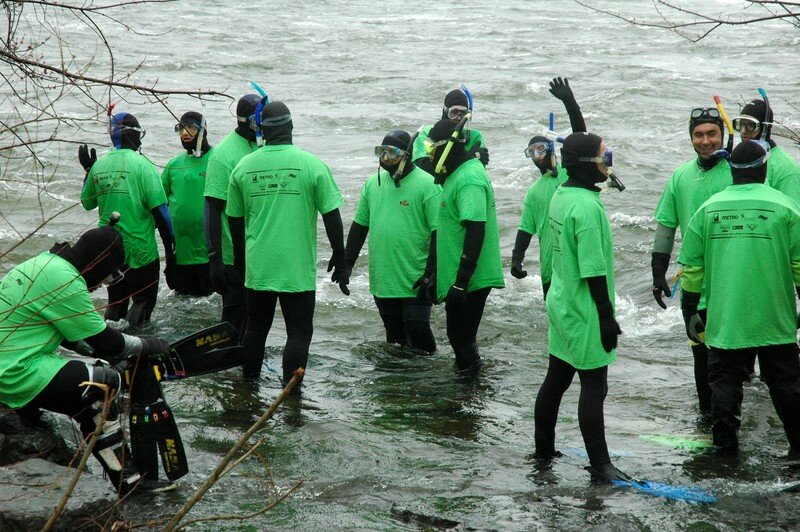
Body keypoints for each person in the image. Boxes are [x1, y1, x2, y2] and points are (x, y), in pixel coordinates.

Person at [0, 222, 173, 494]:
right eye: (105, 277)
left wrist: (107, 353)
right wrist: (149, 345)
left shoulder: (44, 264)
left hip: (9, 361)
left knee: (92, 372)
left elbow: (73, 337)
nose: (101, 286)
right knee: (100, 383)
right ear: (97, 264)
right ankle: (127, 481)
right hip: (13, 372)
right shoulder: (65, 280)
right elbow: (107, 341)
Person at [678, 140, 800, 455]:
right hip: (775, 317)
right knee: (786, 384)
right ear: (764, 168)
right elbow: (799, 267)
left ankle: (724, 451)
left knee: (724, 383)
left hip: (726, 318)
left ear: (731, 169)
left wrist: (691, 311)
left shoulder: (708, 209)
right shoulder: (787, 207)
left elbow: (692, 270)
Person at [227, 101, 347, 385]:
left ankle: (249, 386)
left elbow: (234, 219)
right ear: (291, 127)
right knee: (299, 332)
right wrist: (340, 257)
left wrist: (241, 263)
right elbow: (332, 216)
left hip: (260, 267)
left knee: (255, 330)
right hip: (297, 269)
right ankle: (291, 395)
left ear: (262, 131)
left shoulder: (244, 167)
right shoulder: (312, 165)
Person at [533, 132, 627, 482]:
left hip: (561, 301)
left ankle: (543, 452)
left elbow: (578, 143)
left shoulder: (562, 193)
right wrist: (607, 317)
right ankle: (601, 466)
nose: (609, 163)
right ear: (589, 165)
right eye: (605, 156)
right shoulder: (587, 208)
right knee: (594, 386)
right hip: (585, 308)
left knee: (556, 380)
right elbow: (594, 269)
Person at [651, 107, 732, 416]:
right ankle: (707, 418)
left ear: (722, 135)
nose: (706, 141)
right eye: (698, 135)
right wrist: (658, 273)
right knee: (701, 355)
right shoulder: (681, 176)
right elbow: (665, 228)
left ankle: (729, 420)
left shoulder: (737, 172)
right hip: (695, 284)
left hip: (733, 281)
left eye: (712, 134)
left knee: (730, 358)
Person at [342, 130, 440, 353]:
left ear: (406, 155)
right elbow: (359, 226)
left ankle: (432, 383)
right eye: (381, 152)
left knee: (419, 334)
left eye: (392, 153)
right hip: (384, 278)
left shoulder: (429, 185)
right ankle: (397, 385)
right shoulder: (372, 184)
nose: (385, 159)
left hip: (417, 278)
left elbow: (439, 232)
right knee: (395, 340)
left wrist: (432, 272)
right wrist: (347, 263)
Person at [80, 112, 174, 327]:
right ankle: (135, 349)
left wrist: (87, 172)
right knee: (142, 302)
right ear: (132, 135)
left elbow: (87, 203)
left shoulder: (98, 166)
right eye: (139, 134)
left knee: (116, 303)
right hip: (139, 251)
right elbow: (161, 213)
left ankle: (112, 347)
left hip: (108, 252)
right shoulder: (143, 166)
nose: (141, 140)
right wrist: (171, 250)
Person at [425, 118, 504, 373]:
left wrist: (461, 282)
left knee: (461, 338)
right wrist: (434, 273)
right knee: (458, 337)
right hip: (460, 276)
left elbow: (475, 230)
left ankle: (469, 398)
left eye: (430, 149)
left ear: (446, 148)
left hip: (472, 278)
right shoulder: (455, 174)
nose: (429, 155)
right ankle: (467, 394)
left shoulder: (469, 178)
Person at [511, 77, 587, 299]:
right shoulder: (534, 191)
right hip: (550, 271)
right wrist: (517, 258)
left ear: (552, 149)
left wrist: (570, 104)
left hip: (577, 265)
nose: (537, 155)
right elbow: (526, 229)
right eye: (531, 152)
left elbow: (582, 139)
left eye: (541, 149)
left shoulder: (568, 171)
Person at [203, 94, 260, 340]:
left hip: (255, 252)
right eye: (261, 119)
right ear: (249, 120)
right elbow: (212, 208)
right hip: (231, 257)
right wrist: (215, 259)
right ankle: (227, 366)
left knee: (253, 319)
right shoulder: (224, 155)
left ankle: (246, 365)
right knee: (233, 320)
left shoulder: (259, 145)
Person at [161, 111, 214, 296]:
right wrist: (168, 256)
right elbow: (158, 204)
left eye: (190, 127)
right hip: (181, 254)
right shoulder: (173, 165)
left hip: (210, 254)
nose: (184, 133)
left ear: (203, 130)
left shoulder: (218, 160)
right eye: (180, 129)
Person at [733, 97, 800, 204]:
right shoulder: (739, 161)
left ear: (765, 128)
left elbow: (795, 214)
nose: (743, 131)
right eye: (740, 124)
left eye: (750, 125)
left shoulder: (786, 168)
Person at [412, 87, 489, 173]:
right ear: (445, 112)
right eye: (454, 112)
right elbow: (422, 168)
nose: (458, 118)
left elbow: (479, 169)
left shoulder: (475, 137)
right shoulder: (428, 132)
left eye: (463, 113)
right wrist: (467, 157)